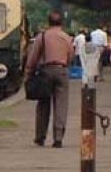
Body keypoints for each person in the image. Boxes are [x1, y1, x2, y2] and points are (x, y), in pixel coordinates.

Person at [24, 11, 74, 148]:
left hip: (45, 71)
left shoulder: (42, 36)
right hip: (61, 70)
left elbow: (33, 56)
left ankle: (40, 137)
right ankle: (58, 138)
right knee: (61, 105)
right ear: (61, 22)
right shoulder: (66, 37)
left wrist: (28, 72)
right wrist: (64, 64)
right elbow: (71, 55)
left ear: (48, 22)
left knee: (43, 105)